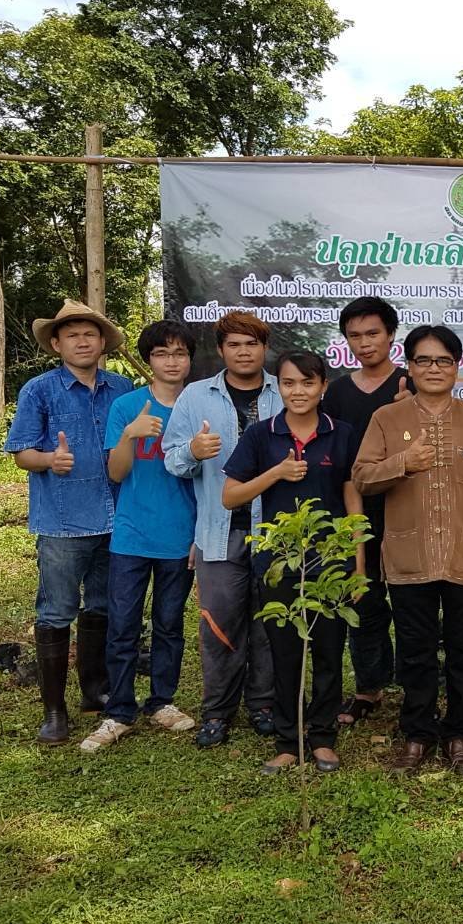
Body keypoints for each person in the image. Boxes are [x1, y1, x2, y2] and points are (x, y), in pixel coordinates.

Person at [352, 325, 463, 778]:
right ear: (410, 366)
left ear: (457, 366)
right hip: (410, 557)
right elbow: (362, 477)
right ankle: (418, 733)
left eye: (443, 360)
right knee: (416, 651)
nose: (434, 368)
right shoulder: (387, 418)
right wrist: (403, 463)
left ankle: (459, 732)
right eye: (423, 360)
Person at [222, 351, 365, 775]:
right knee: (284, 650)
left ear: (323, 386)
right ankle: (288, 740)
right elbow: (230, 495)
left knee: (328, 648)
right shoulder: (261, 435)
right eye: (288, 383)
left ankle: (322, 737)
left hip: (332, 560)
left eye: (307, 383)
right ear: (277, 387)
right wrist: (276, 474)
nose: (297, 392)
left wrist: (359, 563)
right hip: (280, 560)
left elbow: (353, 497)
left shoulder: (343, 433)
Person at [5, 300, 134, 744]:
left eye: (90, 334)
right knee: (56, 610)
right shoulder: (39, 391)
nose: (83, 341)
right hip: (62, 520)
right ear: (56, 344)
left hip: (117, 517)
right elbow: (21, 452)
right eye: (72, 334)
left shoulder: (122, 388)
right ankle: (54, 710)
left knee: (100, 607)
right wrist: (49, 459)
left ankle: (94, 689)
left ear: (103, 343)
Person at [162, 310, 282, 747]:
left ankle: (264, 704)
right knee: (219, 626)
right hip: (219, 531)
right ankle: (217, 711)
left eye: (252, 343)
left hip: (275, 531)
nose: (243, 351)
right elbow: (171, 459)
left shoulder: (282, 392)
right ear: (221, 350)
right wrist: (193, 450)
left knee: (270, 623)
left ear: (264, 349)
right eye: (234, 344)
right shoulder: (196, 397)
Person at [81, 319, 199, 753]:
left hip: (180, 535)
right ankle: (120, 711)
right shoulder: (128, 406)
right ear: (149, 360)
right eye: (162, 353)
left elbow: (208, 480)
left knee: (170, 624)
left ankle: (162, 701)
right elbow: (115, 473)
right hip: (131, 534)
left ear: (190, 360)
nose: (172, 361)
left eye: (180, 353)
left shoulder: (199, 406)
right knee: (123, 624)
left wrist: (198, 536)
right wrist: (130, 436)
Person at [321, 297, 415, 727]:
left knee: (413, 600)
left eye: (373, 333)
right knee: (363, 596)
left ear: (391, 334)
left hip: (407, 508)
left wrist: (403, 409)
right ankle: (368, 688)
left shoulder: (412, 383)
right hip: (353, 509)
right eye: (355, 336)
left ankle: (416, 686)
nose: (364, 343)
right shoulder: (337, 391)